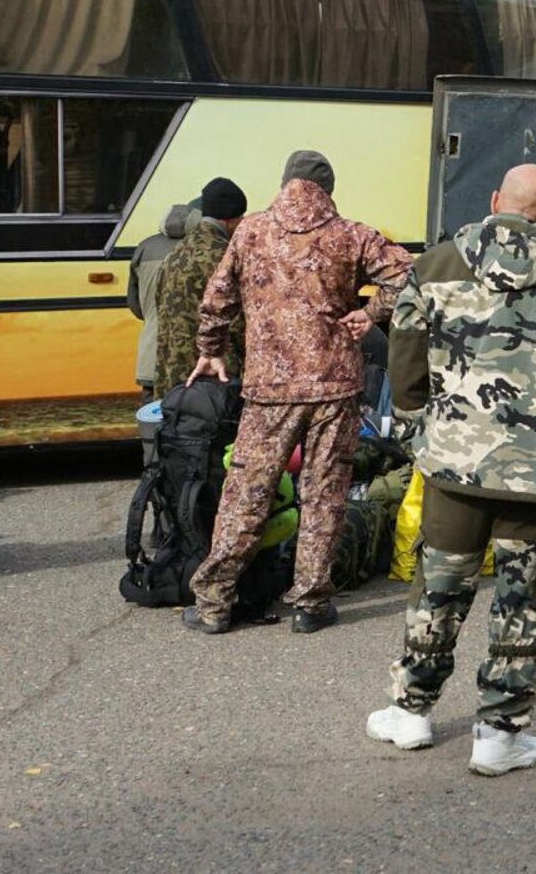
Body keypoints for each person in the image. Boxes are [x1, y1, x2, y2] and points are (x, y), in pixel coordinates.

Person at [368, 163, 536, 775]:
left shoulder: (436, 264)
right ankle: (499, 734)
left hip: (454, 461)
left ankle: (411, 711)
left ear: (496, 201)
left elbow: (404, 352)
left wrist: (417, 415)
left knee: (441, 586)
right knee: (522, 598)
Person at [182, 151, 410, 634]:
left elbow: (217, 297)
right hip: (335, 386)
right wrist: (371, 314)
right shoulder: (352, 234)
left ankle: (214, 601)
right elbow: (410, 277)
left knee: (248, 491)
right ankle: (310, 602)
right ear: (329, 188)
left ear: (285, 182)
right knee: (324, 493)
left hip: (269, 388)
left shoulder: (250, 231)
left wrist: (212, 348)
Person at [154, 179, 247, 399]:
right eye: (241, 218)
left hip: (171, 374)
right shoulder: (225, 256)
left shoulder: (175, 253)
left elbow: (158, 304)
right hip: (213, 375)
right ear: (230, 220)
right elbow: (238, 320)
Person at [130, 201, 198, 403]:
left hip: (151, 349)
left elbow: (134, 303)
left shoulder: (144, 247)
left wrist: (152, 318)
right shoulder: (198, 247)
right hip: (188, 355)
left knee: (151, 416)